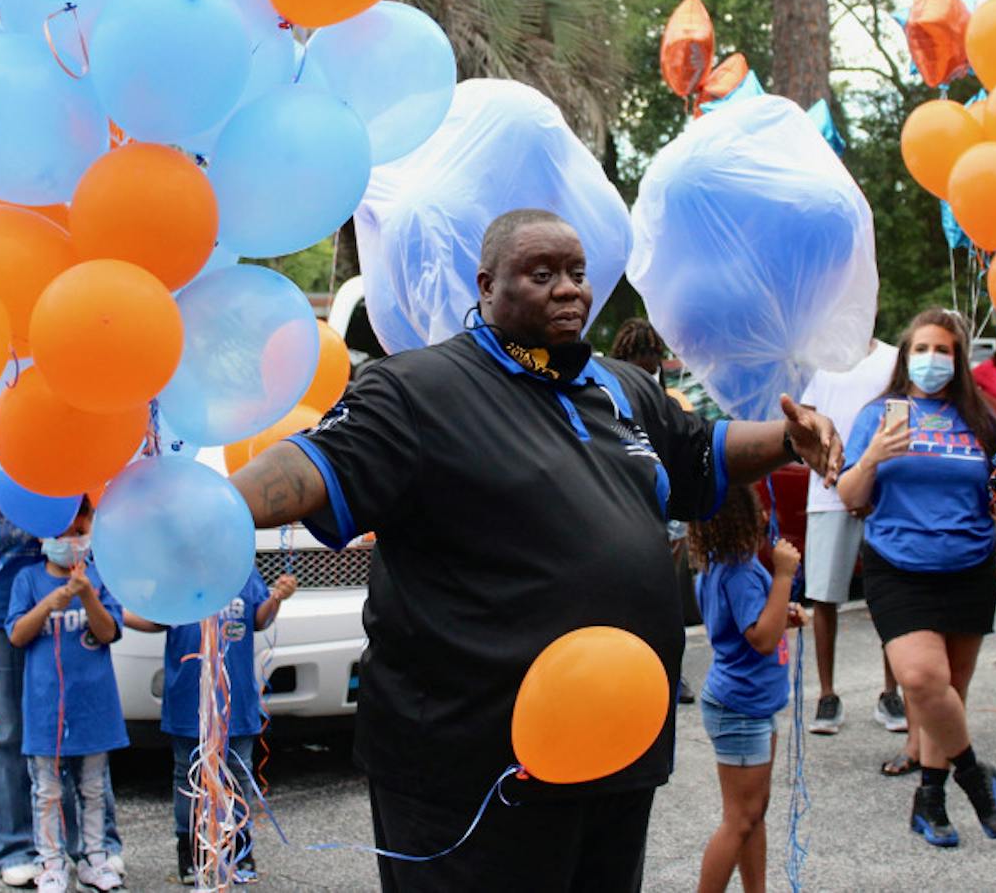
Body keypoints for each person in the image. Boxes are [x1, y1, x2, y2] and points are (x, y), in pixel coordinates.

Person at [229, 208, 841, 891]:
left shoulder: (620, 387)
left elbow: (703, 450)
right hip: (472, 766)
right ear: (486, 286)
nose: (567, 289)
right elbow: (318, 462)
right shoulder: (419, 389)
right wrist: (219, 510)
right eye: (541, 273)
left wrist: (790, 439)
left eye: (577, 273)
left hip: (615, 751)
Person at [836, 308, 996, 849]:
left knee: (948, 695)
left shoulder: (982, 420)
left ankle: (928, 800)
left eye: (944, 351)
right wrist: (873, 457)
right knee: (920, 680)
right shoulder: (879, 416)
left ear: (958, 361)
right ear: (905, 356)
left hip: (970, 566)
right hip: (898, 566)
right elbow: (849, 497)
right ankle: (976, 777)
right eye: (922, 349)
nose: (932, 360)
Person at [0, 464, 124, 887]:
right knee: (5, 728)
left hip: (60, 597)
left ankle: (94, 846)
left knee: (75, 725)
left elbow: (87, 503)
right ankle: (16, 847)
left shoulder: (50, 427)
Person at [125, 569, 297, 885]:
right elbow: (155, 620)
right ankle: (190, 851)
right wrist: (113, 610)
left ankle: (240, 850)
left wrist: (276, 598)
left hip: (236, 699)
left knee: (238, 773)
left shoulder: (243, 571)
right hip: (188, 698)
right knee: (187, 775)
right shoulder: (177, 575)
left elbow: (259, 620)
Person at [799, 339, 914, 765]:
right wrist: (830, 474)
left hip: (881, 492)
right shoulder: (818, 358)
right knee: (825, 597)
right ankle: (827, 695)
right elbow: (804, 422)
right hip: (828, 493)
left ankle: (891, 693)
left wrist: (870, 480)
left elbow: (902, 415)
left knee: (888, 596)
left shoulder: (891, 360)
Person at [687, 485, 805, 893]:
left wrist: (781, 612)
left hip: (748, 706)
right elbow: (761, 638)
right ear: (748, 518)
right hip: (740, 708)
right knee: (740, 819)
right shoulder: (740, 570)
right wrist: (785, 576)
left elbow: (747, 627)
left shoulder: (723, 565)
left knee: (753, 813)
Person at [6, 504, 127, 893]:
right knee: (48, 791)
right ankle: (51, 862)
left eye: (80, 529)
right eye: (63, 534)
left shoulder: (100, 577)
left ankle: (95, 858)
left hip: (94, 706)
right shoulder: (27, 581)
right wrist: (50, 604)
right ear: (45, 538)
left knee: (93, 788)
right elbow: (17, 635)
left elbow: (108, 631)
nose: (72, 540)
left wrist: (87, 595)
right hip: (45, 709)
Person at [610, 317, 697, 705]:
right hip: (627, 508)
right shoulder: (607, 394)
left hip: (664, 512)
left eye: (654, 360)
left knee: (665, 597)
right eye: (642, 360)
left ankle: (668, 675)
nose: (649, 367)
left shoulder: (663, 396)